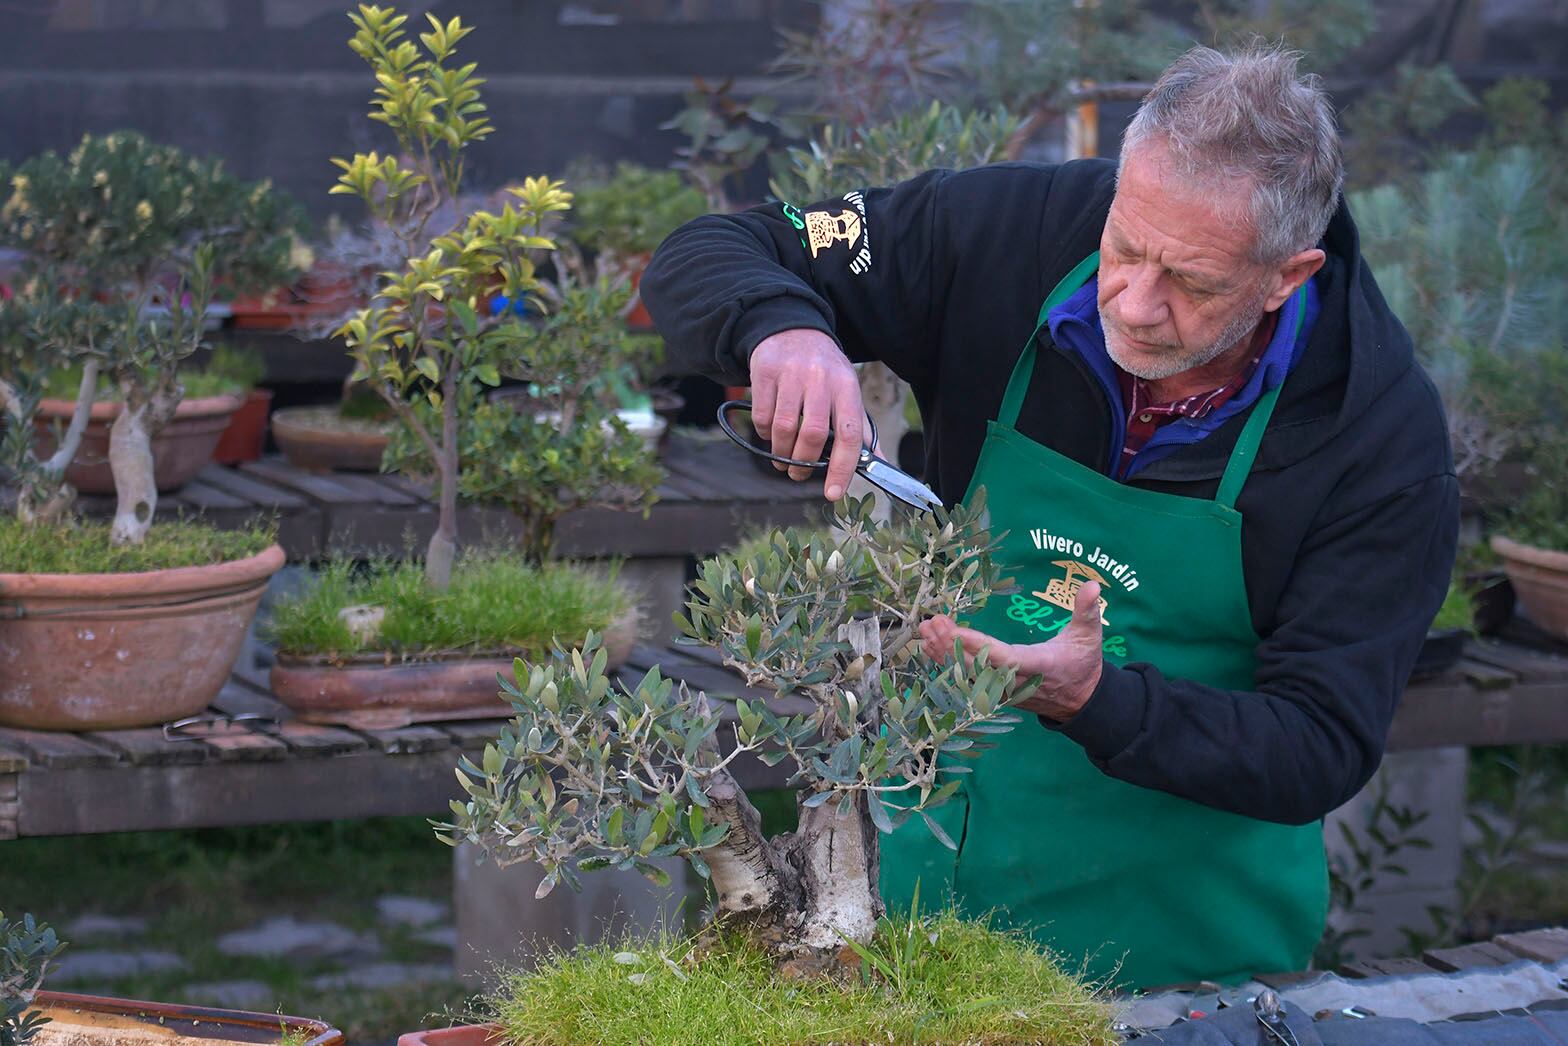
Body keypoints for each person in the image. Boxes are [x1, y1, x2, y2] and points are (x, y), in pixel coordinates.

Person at [642, 44, 1459, 988]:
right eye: (1126, 247)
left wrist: (1096, 699)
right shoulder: (1008, 230)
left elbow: (1318, 745)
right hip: (917, 913)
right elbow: (715, 250)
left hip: (1178, 956)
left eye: (1191, 282)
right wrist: (781, 327)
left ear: (1288, 274)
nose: (1138, 306)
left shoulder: (1377, 438)